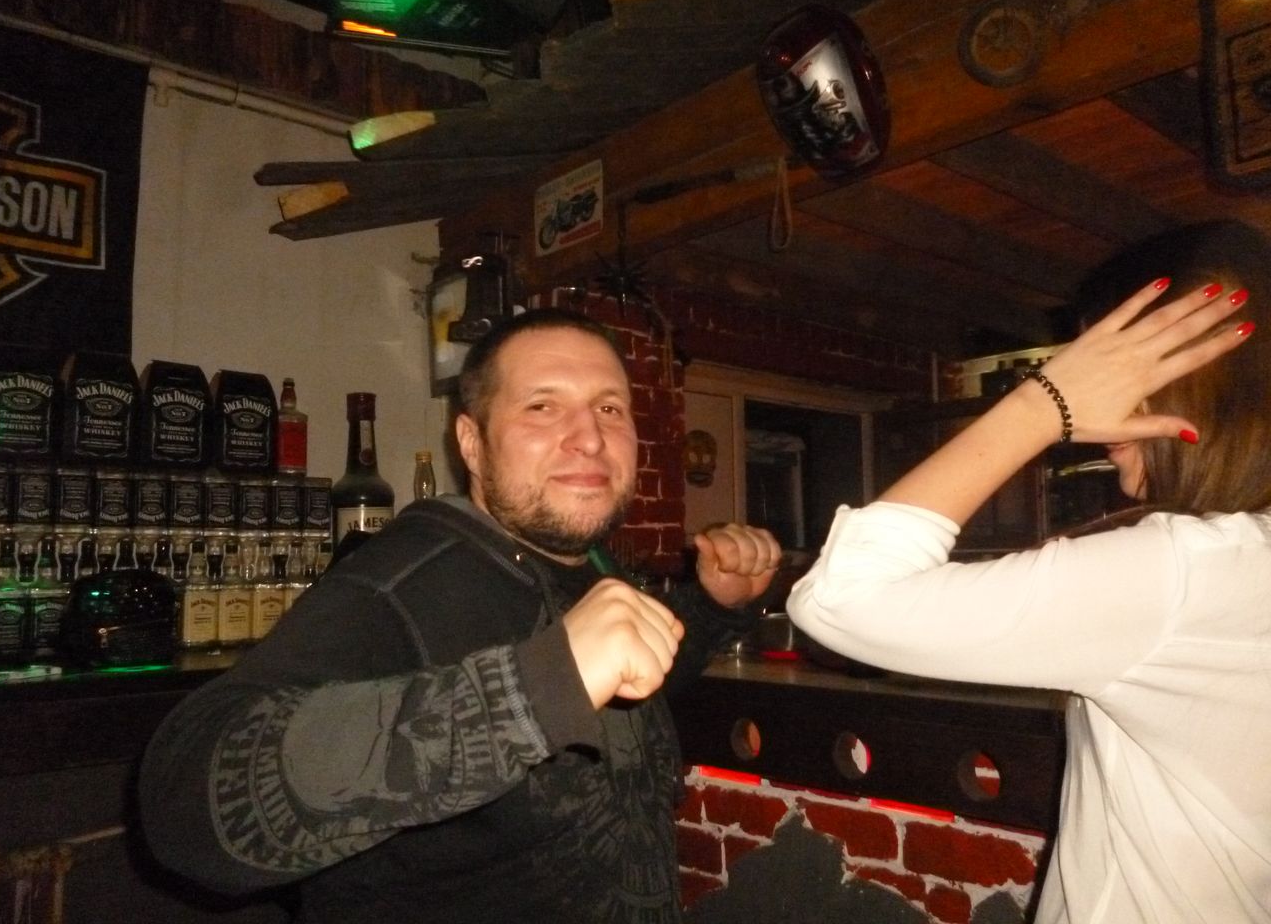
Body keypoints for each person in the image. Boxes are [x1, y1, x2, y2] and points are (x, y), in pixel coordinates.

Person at [137, 308, 781, 924]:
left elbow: (625, 700)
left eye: (609, 408)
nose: (589, 437)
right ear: (472, 444)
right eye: (542, 406)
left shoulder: (589, 564)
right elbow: (185, 809)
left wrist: (712, 605)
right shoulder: (400, 581)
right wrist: (539, 687)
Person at [787, 220, 1271, 924]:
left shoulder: (1185, 572)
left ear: (1197, 382)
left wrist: (1044, 404)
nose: (1104, 417)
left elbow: (841, 598)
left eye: (1119, 373)